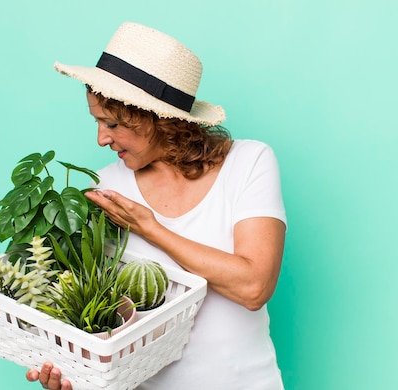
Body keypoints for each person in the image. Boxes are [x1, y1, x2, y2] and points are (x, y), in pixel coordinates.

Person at [26, 22, 287, 389]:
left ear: (159, 119)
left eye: (112, 123)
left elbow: (254, 287)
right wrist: (76, 373)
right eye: (97, 121)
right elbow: (106, 321)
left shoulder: (248, 162)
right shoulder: (104, 190)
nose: (101, 138)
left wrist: (150, 229)